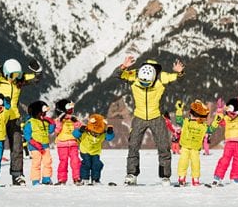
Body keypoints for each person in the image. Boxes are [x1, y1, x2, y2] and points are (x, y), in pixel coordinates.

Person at [118, 55, 185, 186]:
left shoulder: (161, 77)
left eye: (147, 84)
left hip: (157, 117)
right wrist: (123, 67)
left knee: (164, 147)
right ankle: (131, 174)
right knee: (133, 146)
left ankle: (165, 176)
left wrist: (180, 72)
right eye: (142, 84)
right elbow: (118, 75)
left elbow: (178, 78)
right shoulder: (135, 75)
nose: (144, 85)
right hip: (139, 116)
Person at [0, 58, 42, 185]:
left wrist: (37, 69)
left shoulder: (20, 79)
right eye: (13, 75)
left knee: (17, 146)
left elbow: (36, 78)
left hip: (14, 117)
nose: (15, 78)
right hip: (0, 118)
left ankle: (17, 175)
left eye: (18, 75)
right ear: (7, 73)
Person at [210, 95, 238, 186]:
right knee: (225, 160)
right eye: (228, 113)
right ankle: (217, 177)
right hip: (229, 143)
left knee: (237, 161)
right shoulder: (227, 119)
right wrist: (220, 110)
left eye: (232, 114)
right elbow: (219, 121)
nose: (230, 116)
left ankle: (235, 178)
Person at [175, 100, 214, 186]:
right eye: (193, 115)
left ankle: (195, 179)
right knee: (183, 162)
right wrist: (179, 110)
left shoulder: (202, 125)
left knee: (196, 164)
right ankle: (182, 178)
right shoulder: (186, 122)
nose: (194, 117)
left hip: (195, 149)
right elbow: (178, 120)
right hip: (185, 147)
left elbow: (210, 129)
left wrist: (216, 122)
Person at [73, 113, 115, 185]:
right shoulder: (85, 131)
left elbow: (109, 138)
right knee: (87, 163)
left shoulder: (102, 133)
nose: (96, 135)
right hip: (85, 150)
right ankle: (84, 178)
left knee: (97, 164)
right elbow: (75, 134)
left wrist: (110, 132)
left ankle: (95, 179)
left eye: (98, 134)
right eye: (94, 133)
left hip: (95, 152)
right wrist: (80, 130)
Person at [23, 100, 56, 185]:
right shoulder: (30, 122)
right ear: (36, 112)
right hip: (35, 147)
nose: (44, 115)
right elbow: (26, 135)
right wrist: (34, 143)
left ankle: (46, 179)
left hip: (45, 146)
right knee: (36, 163)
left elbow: (50, 131)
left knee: (47, 162)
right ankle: (35, 180)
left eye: (45, 113)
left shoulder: (45, 122)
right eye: (42, 113)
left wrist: (52, 123)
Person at [54, 98, 82, 185]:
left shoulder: (74, 119)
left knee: (76, 161)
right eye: (69, 109)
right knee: (63, 162)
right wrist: (60, 121)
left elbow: (79, 129)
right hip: (62, 144)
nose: (71, 110)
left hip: (73, 144)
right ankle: (62, 179)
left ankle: (77, 178)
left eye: (72, 109)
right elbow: (56, 131)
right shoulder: (58, 120)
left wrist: (76, 122)